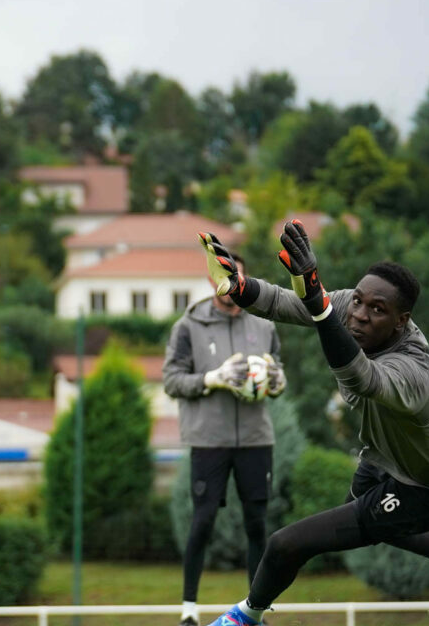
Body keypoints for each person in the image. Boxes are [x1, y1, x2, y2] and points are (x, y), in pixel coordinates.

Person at [196, 221, 429, 621]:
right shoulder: (353, 306)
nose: (360, 315)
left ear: (401, 321)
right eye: (358, 301)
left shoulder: (413, 371)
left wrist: (318, 303)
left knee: (286, 544)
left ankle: (246, 615)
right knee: (359, 510)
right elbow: (286, 302)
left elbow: (360, 377)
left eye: (377, 310)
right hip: (395, 452)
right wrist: (238, 287)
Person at [163, 252, 288, 626]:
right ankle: (189, 610)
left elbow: (276, 369)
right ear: (211, 279)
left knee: (256, 524)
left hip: (255, 439)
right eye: (225, 277)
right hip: (209, 440)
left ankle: (256, 612)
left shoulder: (263, 324)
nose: (232, 285)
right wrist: (212, 379)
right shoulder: (189, 326)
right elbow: (172, 380)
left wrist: (277, 382)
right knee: (202, 521)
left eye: (238, 278)